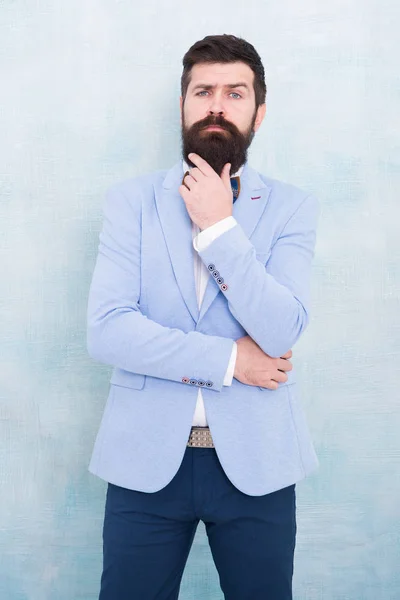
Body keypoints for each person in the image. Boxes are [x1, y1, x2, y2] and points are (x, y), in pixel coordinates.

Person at [86, 33, 320, 600]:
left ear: (258, 113)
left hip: (258, 464)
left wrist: (218, 229)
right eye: (203, 91)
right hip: (144, 463)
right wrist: (230, 360)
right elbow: (109, 329)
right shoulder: (130, 203)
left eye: (235, 93)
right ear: (184, 105)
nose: (217, 105)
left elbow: (283, 327)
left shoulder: (292, 207)